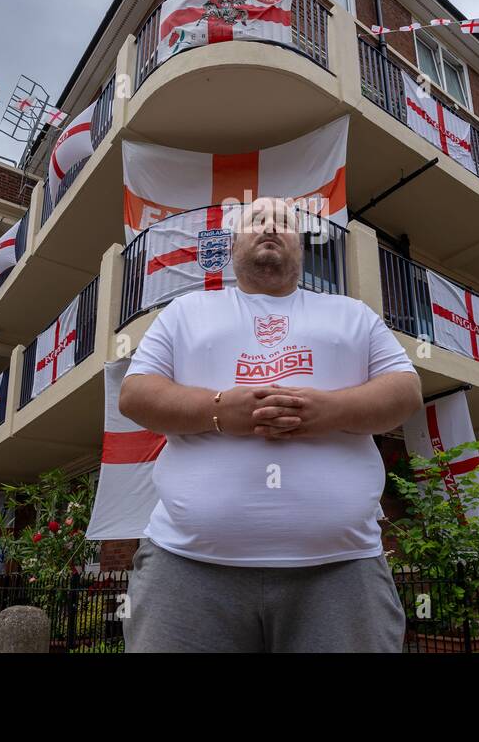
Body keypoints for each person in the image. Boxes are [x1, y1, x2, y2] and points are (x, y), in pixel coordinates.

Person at [118, 196, 422, 652]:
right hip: (186, 566)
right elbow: (136, 395)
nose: (270, 228)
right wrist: (220, 411)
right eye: (256, 220)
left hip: (341, 570)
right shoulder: (185, 312)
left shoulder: (352, 314)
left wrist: (328, 412)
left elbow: (404, 392)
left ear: (300, 246)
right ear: (232, 243)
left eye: (284, 222)